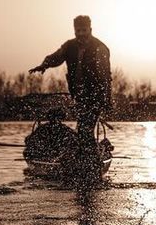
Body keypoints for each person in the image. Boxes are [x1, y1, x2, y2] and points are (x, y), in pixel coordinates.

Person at [29, 15, 112, 145]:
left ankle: (90, 159)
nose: (81, 33)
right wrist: (44, 64)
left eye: (84, 30)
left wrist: (106, 99)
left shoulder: (100, 48)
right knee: (82, 128)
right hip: (78, 95)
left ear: (90, 29)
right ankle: (81, 153)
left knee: (85, 129)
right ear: (74, 31)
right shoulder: (69, 46)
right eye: (78, 30)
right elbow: (56, 57)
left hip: (95, 96)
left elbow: (105, 76)